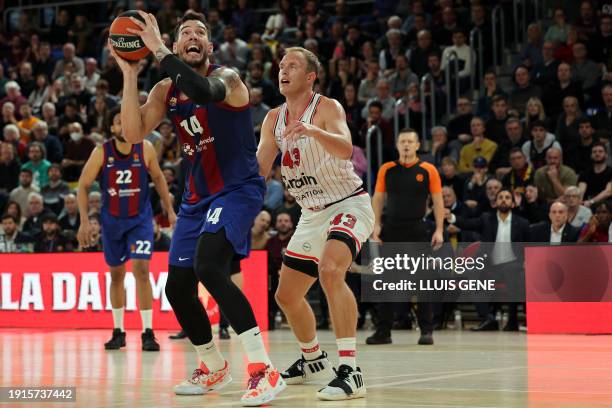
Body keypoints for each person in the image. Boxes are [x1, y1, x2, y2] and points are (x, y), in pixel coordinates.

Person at [111, 11, 284, 404]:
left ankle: (263, 370)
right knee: (177, 287)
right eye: (185, 33)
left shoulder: (229, 79)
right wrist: (130, 74)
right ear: (177, 46)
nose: (193, 36)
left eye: (200, 33)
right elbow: (134, 133)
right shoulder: (164, 91)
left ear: (209, 47)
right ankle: (213, 365)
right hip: (195, 198)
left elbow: (204, 92)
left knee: (209, 266)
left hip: (237, 190)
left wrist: (156, 49)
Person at [257, 46, 375, 400]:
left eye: (292, 65)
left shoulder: (327, 108)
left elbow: (344, 148)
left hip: (347, 203)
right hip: (311, 212)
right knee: (286, 295)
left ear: (310, 77)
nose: (283, 70)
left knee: (330, 270)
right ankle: (312, 359)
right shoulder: (272, 119)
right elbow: (259, 170)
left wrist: (313, 131)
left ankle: (350, 371)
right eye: (281, 65)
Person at [77, 107, 176, 352]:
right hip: (112, 220)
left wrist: (170, 210)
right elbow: (83, 185)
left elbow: (160, 179)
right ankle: (118, 331)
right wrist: (83, 220)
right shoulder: (101, 151)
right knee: (116, 274)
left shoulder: (145, 148)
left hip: (139, 219)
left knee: (142, 271)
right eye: (119, 122)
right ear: (111, 128)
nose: (124, 126)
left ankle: (147, 332)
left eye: (127, 121)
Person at [366, 129, 444, 346]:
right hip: (391, 230)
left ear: (418, 145)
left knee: (422, 282)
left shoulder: (428, 170)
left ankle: (426, 330)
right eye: (403, 142)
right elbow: (378, 198)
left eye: (411, 141)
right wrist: (376, 224)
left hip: (417, 230)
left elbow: (438, 201)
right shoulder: (387, 169)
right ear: (398, 145)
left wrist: (439, 229)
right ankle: (384, 332)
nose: (407, 145)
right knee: (386, 283)